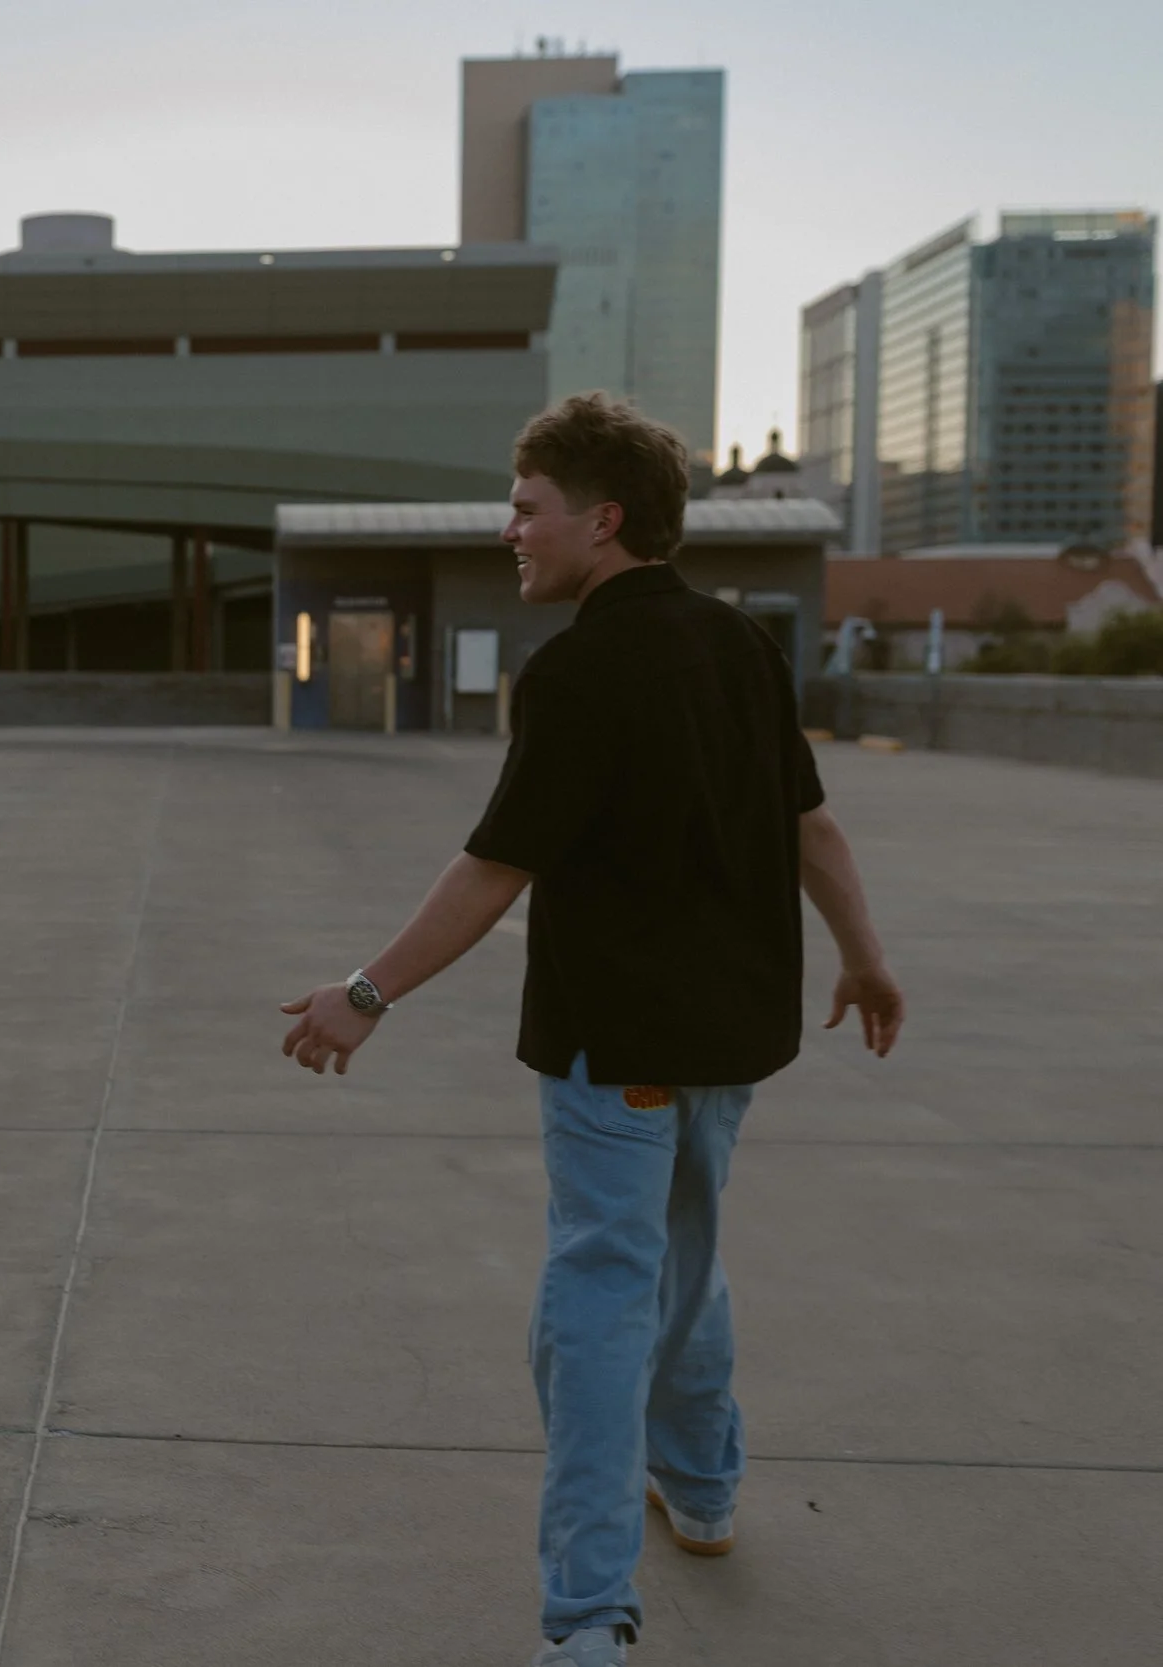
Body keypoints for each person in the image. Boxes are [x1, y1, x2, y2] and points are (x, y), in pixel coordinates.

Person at [276, 394, 905, 1667]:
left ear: (601, 520)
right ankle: (708, 1487)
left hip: (614, 1043)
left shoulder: (575, 668)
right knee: (681, 1253)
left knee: (597, 1301)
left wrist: (364, 992)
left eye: (526, 509)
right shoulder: (739, 647)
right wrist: (864, 958)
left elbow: (494, 866)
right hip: (730, 1036)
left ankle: (585, 1613)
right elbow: (811, 825)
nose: (511, 530)